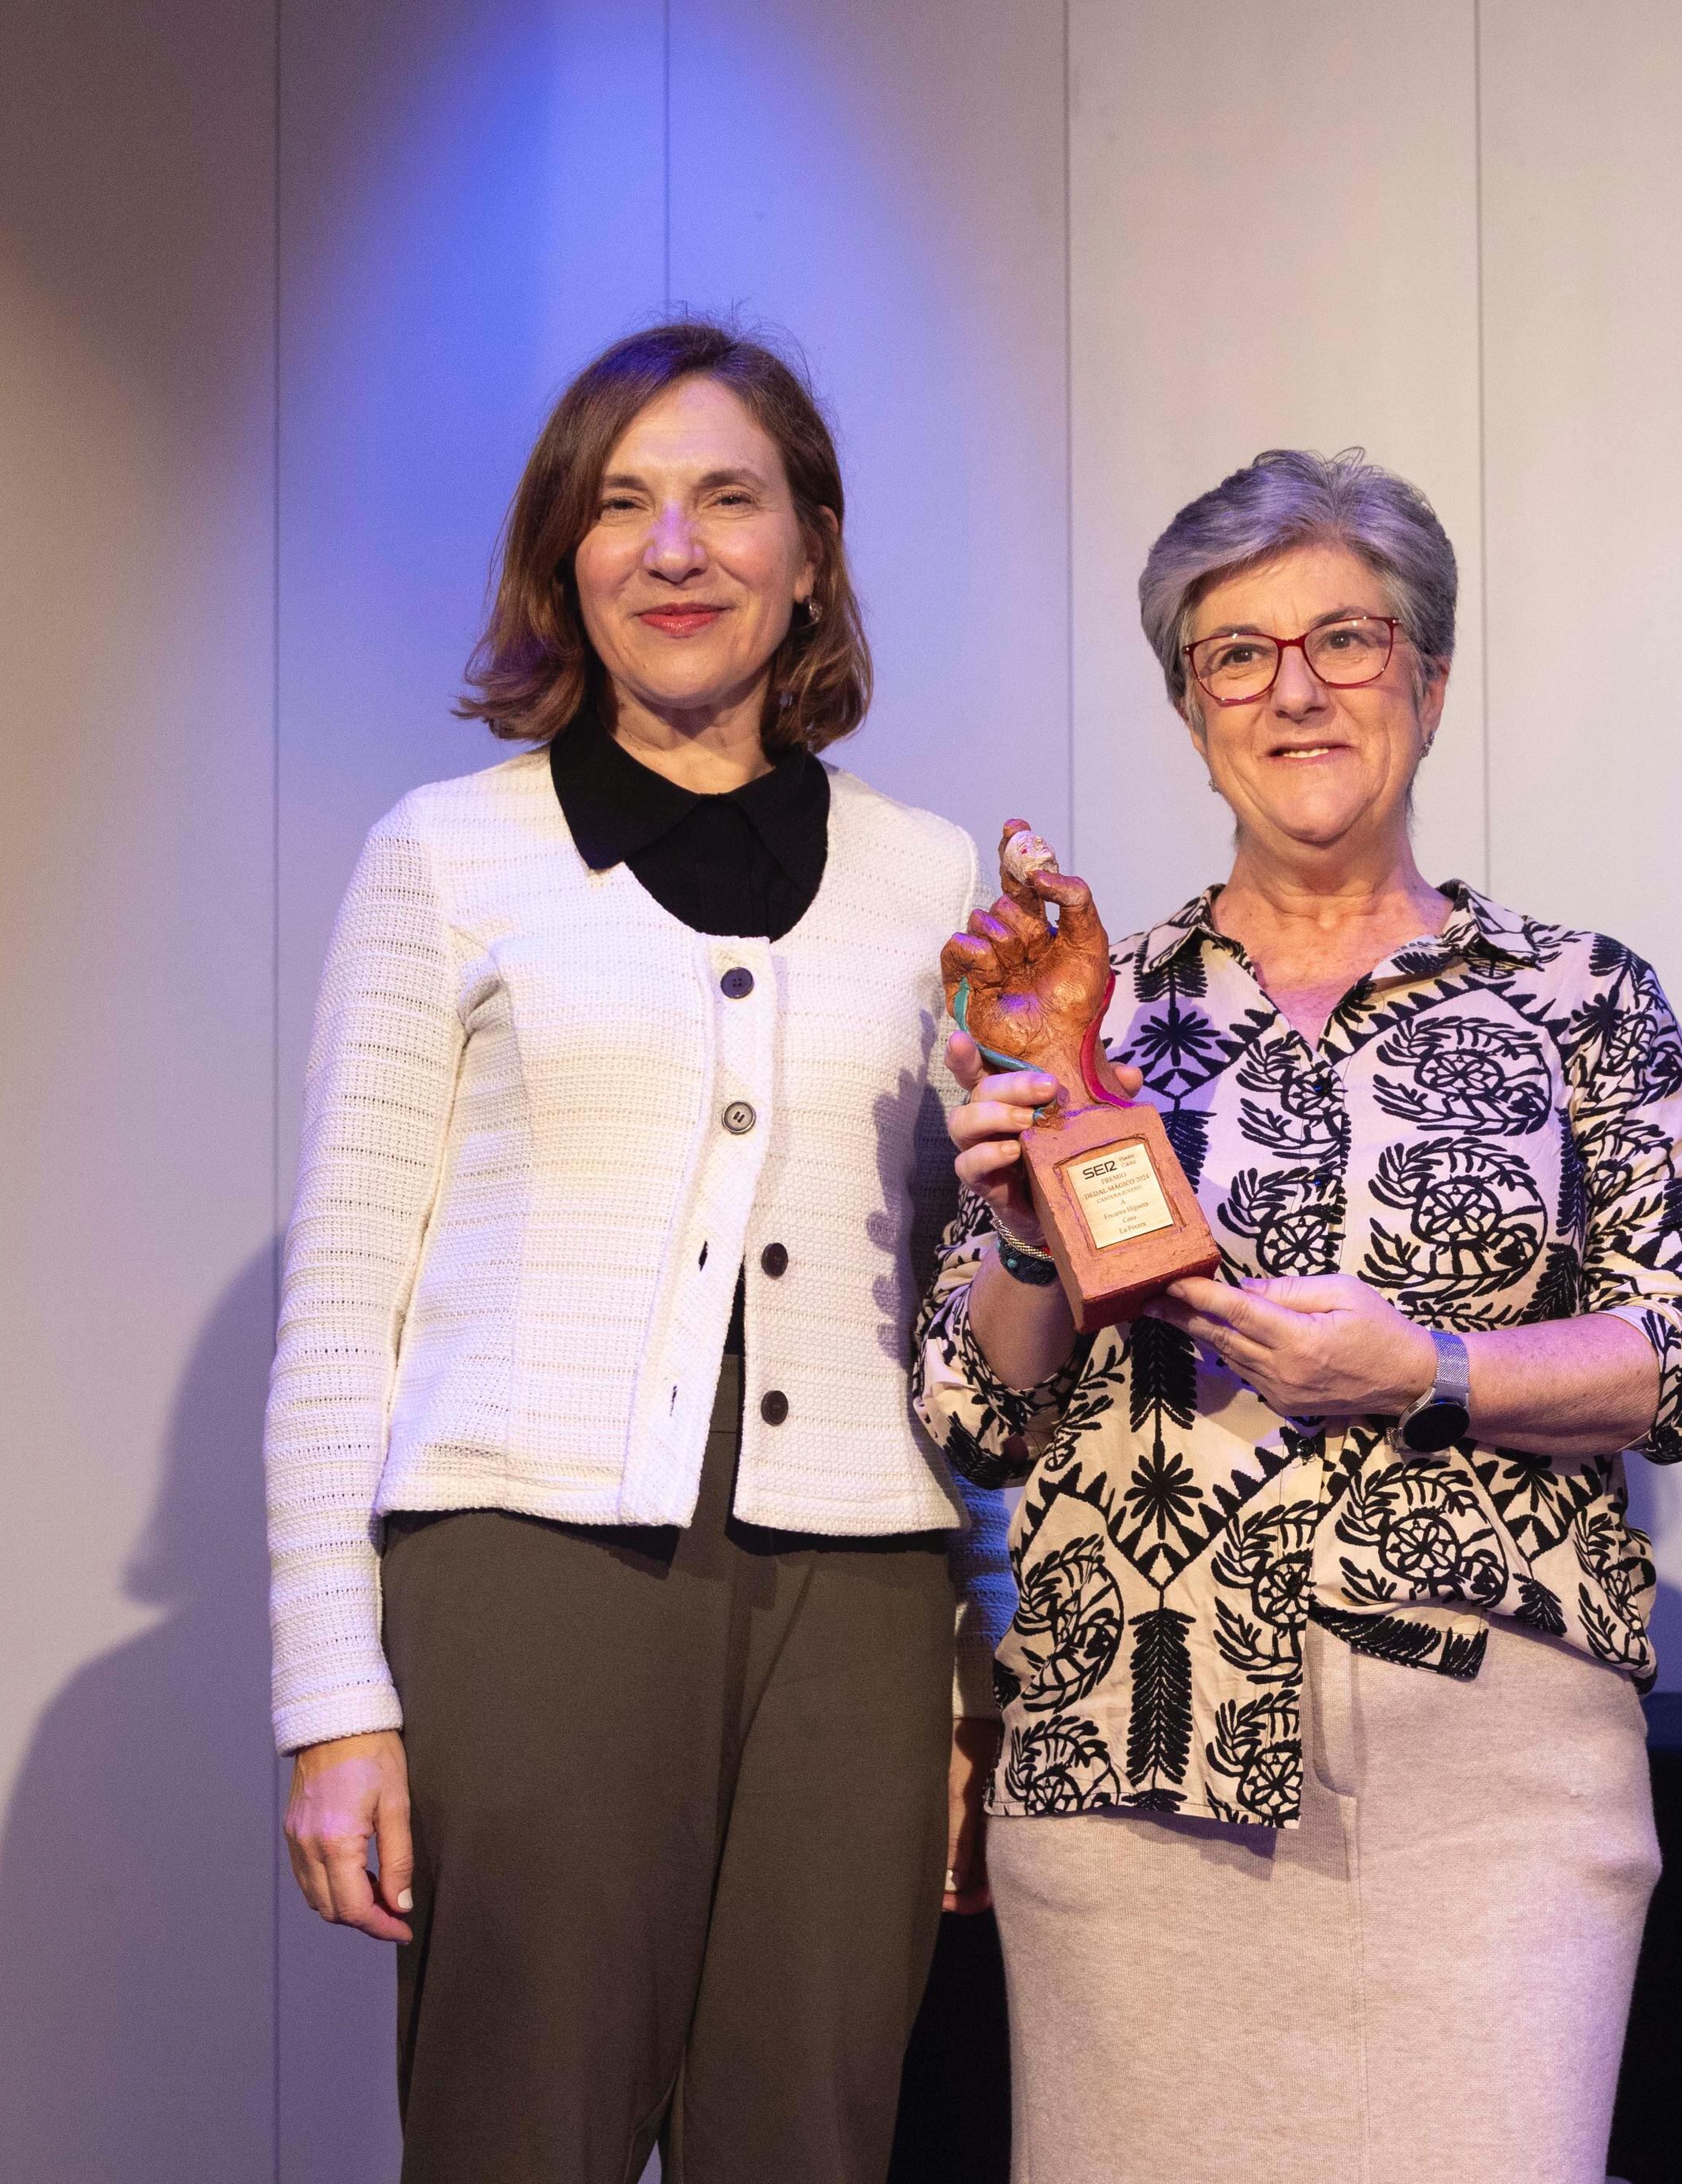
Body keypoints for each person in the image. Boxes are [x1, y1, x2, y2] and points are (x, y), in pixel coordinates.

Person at [916, 448, 1682, 2183]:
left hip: (1493, 1768)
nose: (1294, 688)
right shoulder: (1078, 1002)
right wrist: (1018, 1242)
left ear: (1429, 683)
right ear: (1189, 704)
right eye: (1237, 653)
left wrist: (1434, 1370)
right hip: (1133, 1739)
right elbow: (972, 1415)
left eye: (1349, 641)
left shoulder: (1575, 994)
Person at [264, 318, 1008, 2184]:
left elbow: (960, 1310)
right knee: (525, 2130)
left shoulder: (931, 886)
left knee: (816, 2134)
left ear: (811, 551)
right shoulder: (449, 857)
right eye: (623, 504)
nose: (675, 548)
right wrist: (332, 1698)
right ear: (563, 560)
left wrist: (969, 1666)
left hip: (857, 1606)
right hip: (526, 1582)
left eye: (728, 499)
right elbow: (345, 1300)